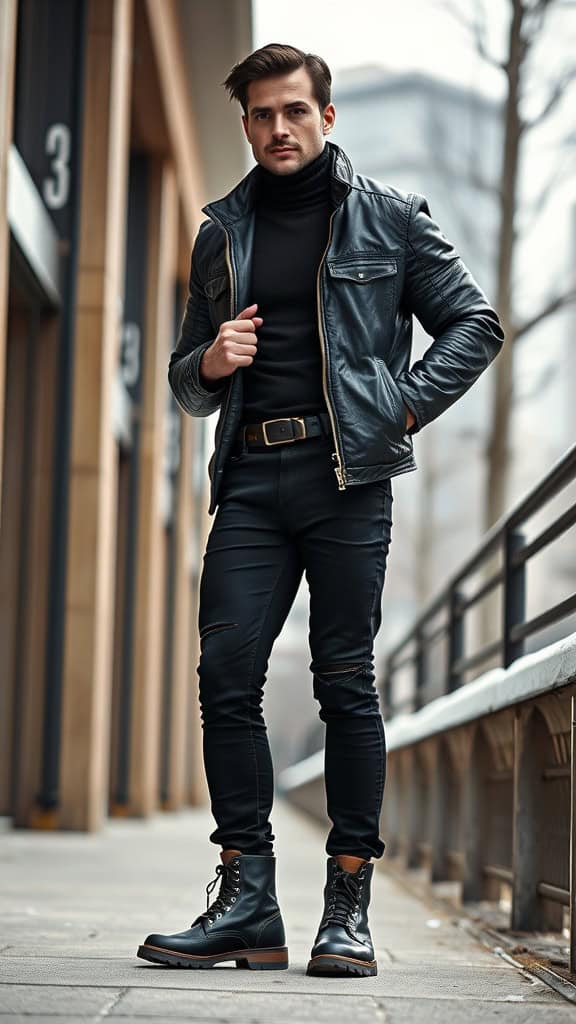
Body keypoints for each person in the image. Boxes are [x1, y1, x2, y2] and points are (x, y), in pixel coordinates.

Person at [137, 43, 504, 977]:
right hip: (253, 481)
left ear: (326, 117)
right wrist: (210, 362)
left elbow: (476, 323)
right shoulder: (221, 232)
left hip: (348, 482)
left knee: (346, 682)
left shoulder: (388, 220)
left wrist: (405, 405)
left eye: (294, 111)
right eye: (261, 115)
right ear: (247, 123)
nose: (278, 129)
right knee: (226, 674)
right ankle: (247, 901)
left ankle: (348, 909)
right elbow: (187, 384)